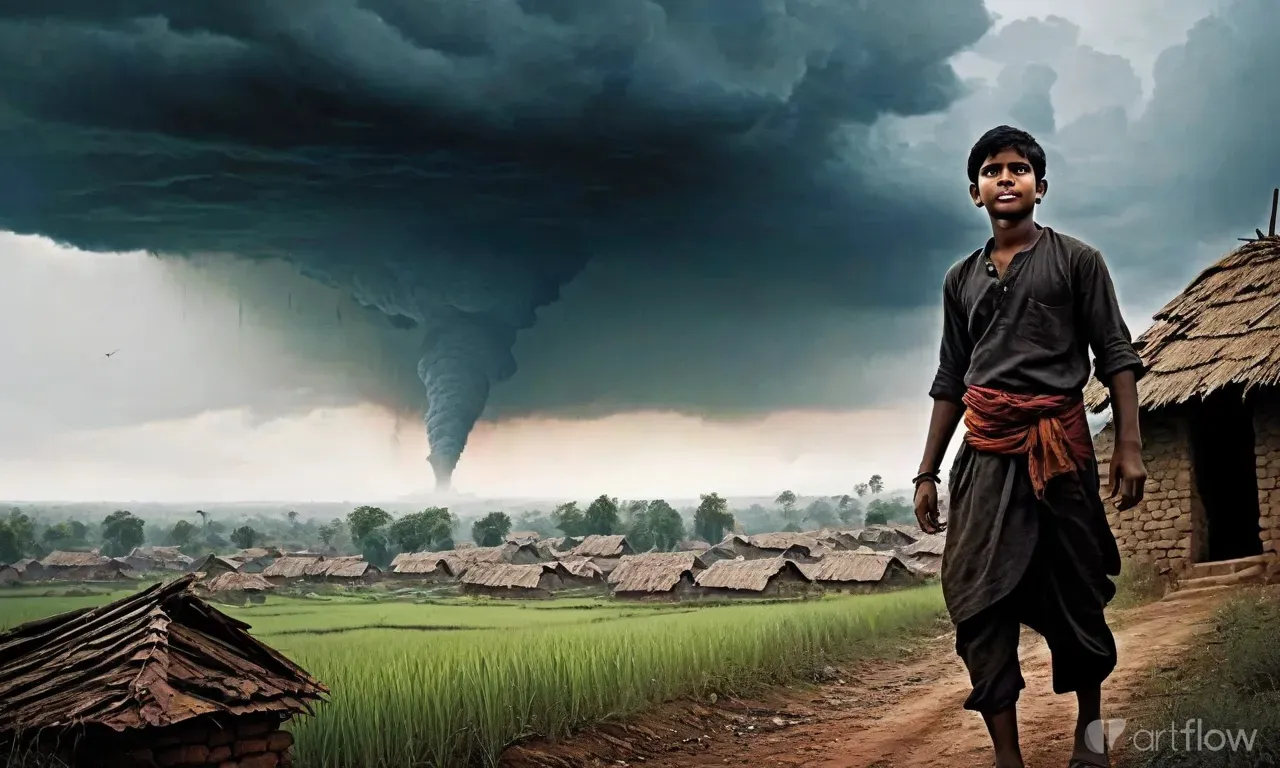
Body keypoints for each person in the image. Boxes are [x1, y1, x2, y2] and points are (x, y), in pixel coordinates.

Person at [912, 125, 1147, 768]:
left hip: (1061, 449)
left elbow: (1117, 355)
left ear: (1040, 187)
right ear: (974, 191)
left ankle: (1089, 736)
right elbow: (950, 379)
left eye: (1019, 169)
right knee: (976, 596)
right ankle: (1007, 756)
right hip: (984, 457)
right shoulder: (959, 279)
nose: (1006, 178)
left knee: (1076, 589)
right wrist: (926, 472)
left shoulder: (1077, 260)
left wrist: (1129, 444)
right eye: (993, 170)